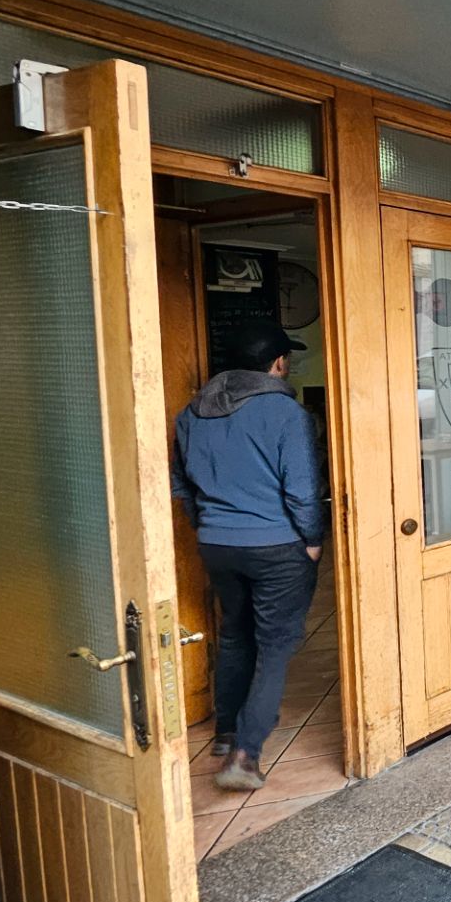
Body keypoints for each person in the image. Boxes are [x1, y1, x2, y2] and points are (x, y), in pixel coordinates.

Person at [169, 318, 325, 791]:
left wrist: (208, 525)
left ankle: (224, 732)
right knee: (275, 647)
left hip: (218, 545)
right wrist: (313, 538)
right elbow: (301, 489)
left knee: (235, 634)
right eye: (288, 360)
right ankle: (245, 755)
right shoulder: (286, 415)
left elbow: (181, 484)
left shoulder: (190, 414)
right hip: (276, 546)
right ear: (278, 364)